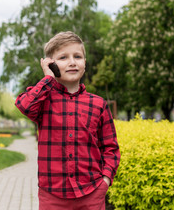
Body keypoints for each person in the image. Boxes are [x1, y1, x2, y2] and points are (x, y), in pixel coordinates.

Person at [15, 31, 120, 210]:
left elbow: (110, 148)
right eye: (63, 57)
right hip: (52, 196)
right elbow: (24, 105)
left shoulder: (98, 104)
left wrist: (105, 180)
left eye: (77, 56)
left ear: (84, 64)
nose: (72, 62)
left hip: (92, 193)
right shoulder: (44, 99)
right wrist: (48, 78)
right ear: (51, 64)